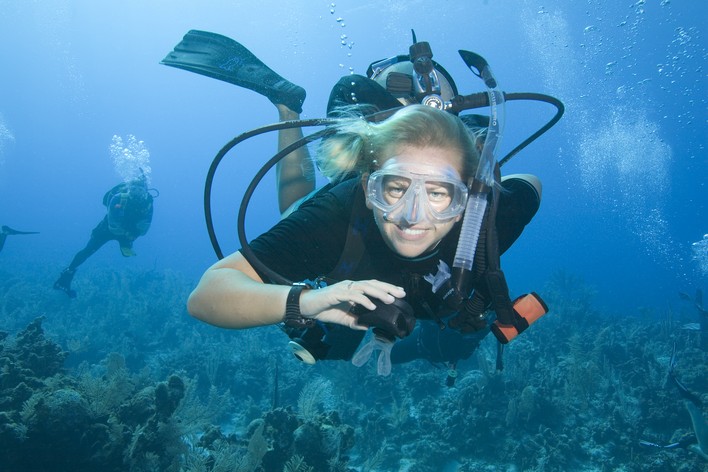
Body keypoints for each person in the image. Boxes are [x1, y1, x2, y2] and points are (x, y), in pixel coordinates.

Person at [165, 31, 546, 374]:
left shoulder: (490, 214)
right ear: (368, 187)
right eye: (394, 189)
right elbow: (206, 295)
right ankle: (288, 108)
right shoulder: (335, 214)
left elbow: (531, 184)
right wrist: (309, 301)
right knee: (297, 211)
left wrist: (492, 188)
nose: (412, 217)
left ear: (467, 199)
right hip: (341, 216)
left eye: (439, 193)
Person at [53, 176, 155, 298]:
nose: (136, 193)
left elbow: (144, 228)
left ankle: (125, 242)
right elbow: (112, 224)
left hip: (127, 232)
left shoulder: (148, 203)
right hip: (106, 229)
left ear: (145, 191)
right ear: (129, 189)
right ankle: (66, 275)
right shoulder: (118, 198)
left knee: (126, 254)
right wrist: (127, 233)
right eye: (133, 189)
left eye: (140, 190)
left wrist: (133, 235)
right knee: (87, 251)